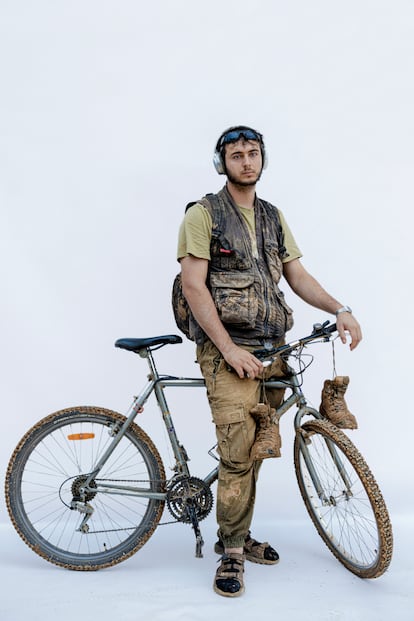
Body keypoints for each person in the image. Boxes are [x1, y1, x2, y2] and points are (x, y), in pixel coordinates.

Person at [176, 126, 362, 598]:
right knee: (238, 452)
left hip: (272, 347)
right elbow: (195, 287)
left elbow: (296, 276)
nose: (245, 161)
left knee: (260, 443)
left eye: (252, 153)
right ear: (223, 164)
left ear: (262, 159)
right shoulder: (203, 214)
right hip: (228, 350)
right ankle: (232, 552)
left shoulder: (273, 218)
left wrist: (338, 308)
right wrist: (228, 349)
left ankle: (233, 533)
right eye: (235, 155)